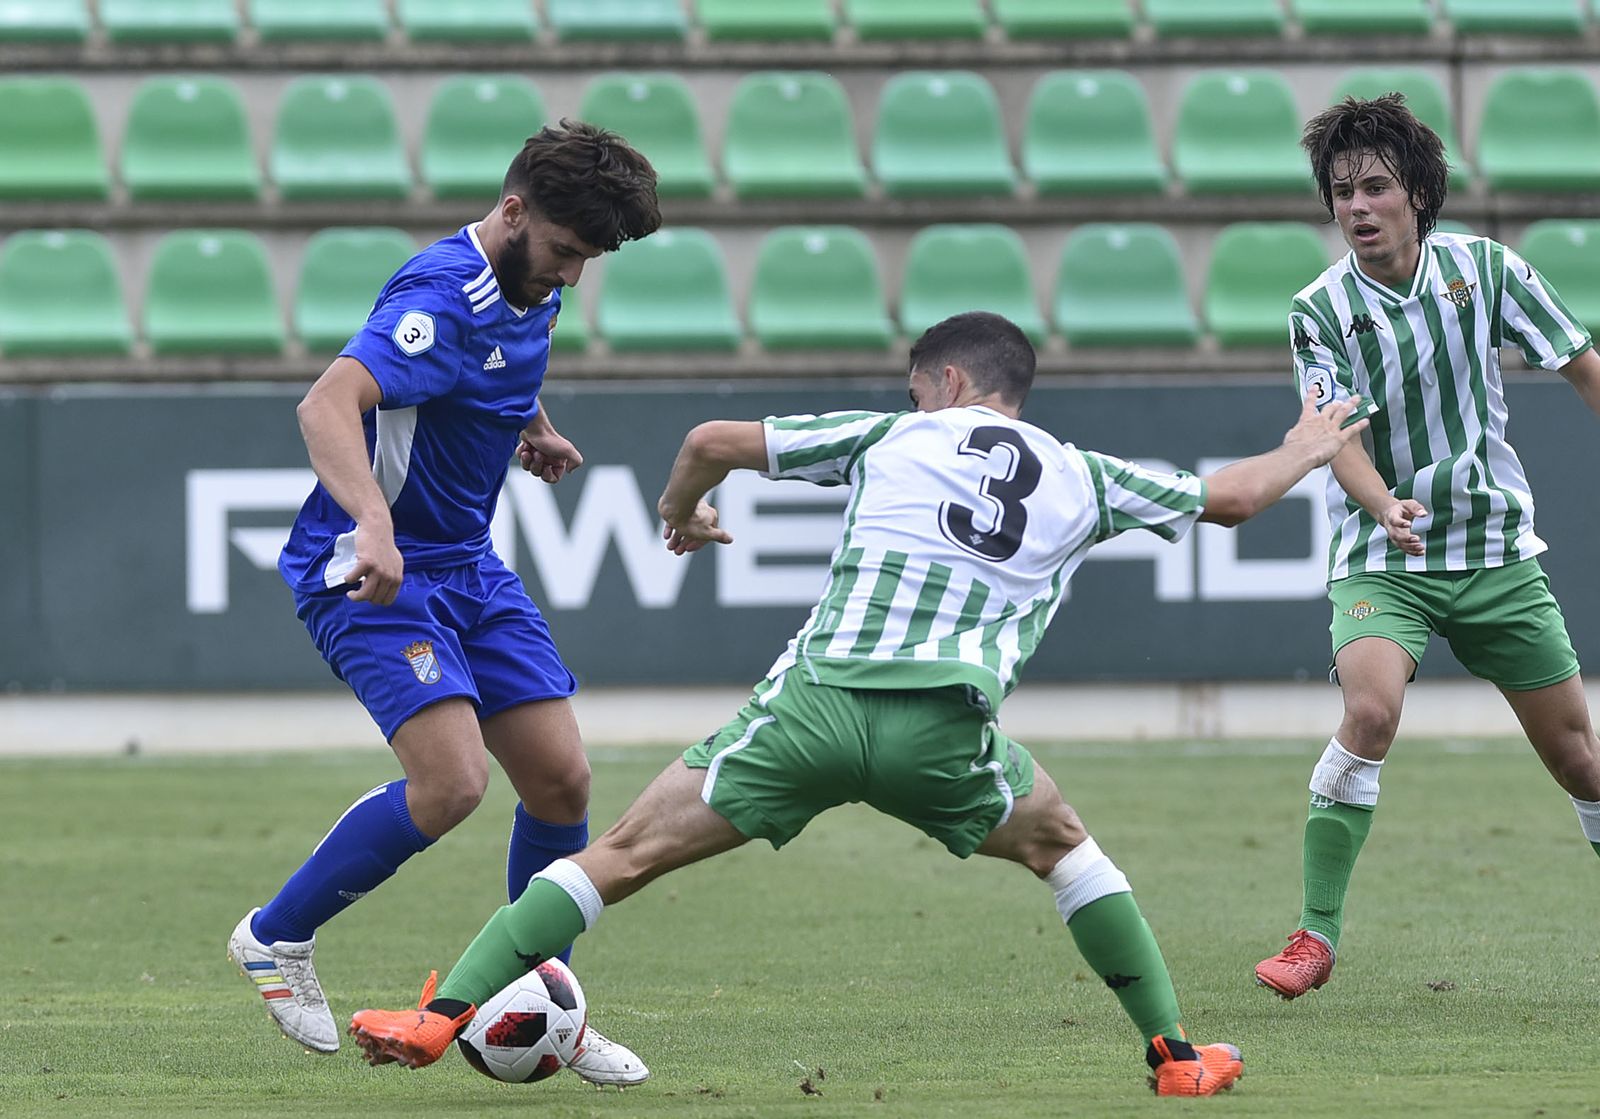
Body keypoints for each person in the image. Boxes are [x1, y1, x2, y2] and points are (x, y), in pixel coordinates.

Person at [346, 310, 1369, 1097]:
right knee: (1070, 854)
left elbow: (710, 436)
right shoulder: (1081, 474)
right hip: (945, 735)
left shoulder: (890, 435)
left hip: (813, 709)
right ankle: (1177, 1058)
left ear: (948, 381)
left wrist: (680, 514)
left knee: (615, 855)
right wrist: (1308, 447)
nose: (913, 400)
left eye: (917, 388)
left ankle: (438, 1016)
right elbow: (1231, 499)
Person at [227, 120, 659, 1086]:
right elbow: (326, 405)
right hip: (369, 564)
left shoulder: (529, 283)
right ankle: (274, 935)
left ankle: (541, 1000)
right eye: (564, 252)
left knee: (562, 783)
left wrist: (531, 427)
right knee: (453, 784)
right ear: (512, 212)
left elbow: (501, 366)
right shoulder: (439, 294)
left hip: (467, 563)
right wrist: (374, 523)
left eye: (589, 260)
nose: (573, 277)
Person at [1253, 94, 1600, 1000]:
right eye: (1341, 192)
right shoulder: (1319, 308)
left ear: (1418, 192)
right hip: (1385, 553)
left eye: (1374, 187)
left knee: (1583, 763)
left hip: (1494, 551)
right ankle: (1313, 934)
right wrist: (1386, 507)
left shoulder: (1485, 270)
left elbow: (1580, 363)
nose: (1357, 207)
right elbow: (1340, 437)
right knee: (1370, 713)